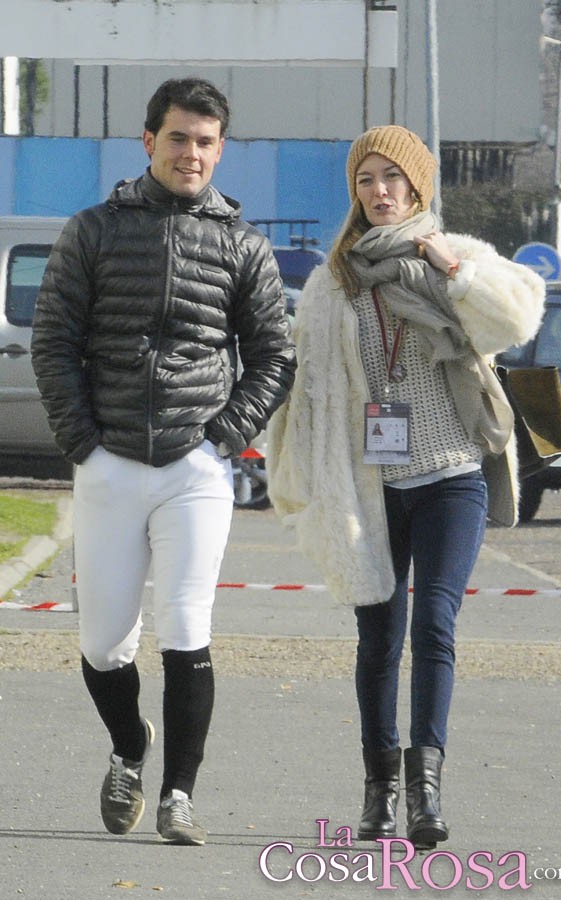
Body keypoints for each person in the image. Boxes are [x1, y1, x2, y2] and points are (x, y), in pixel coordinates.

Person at [31, 77, 295, 845]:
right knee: (103, 643)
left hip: (196, 468)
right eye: (178, 138)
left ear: (220, 149)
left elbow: (275, 353)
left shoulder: (244, 244)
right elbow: (54, 342)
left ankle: (179, 794)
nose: (192, 153)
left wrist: (225, 438)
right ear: (149, 141)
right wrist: (83, 442)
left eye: (206, 141)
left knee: (187, 625)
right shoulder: (94, 230)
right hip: (107, 460)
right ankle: (129, 748)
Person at [267, 125, 545, 848]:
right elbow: (314, 389)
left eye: (394, 178)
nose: (380, 191)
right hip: (371, 485)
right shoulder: (334, 280)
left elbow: (516, 319)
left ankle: (427, 793)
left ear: (418, 186)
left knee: (435, 624)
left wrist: (453, 269)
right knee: (378, 637)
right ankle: (379, 792)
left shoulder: (459, 258)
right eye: (366, 179)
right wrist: (309, 479)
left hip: (452, 473)